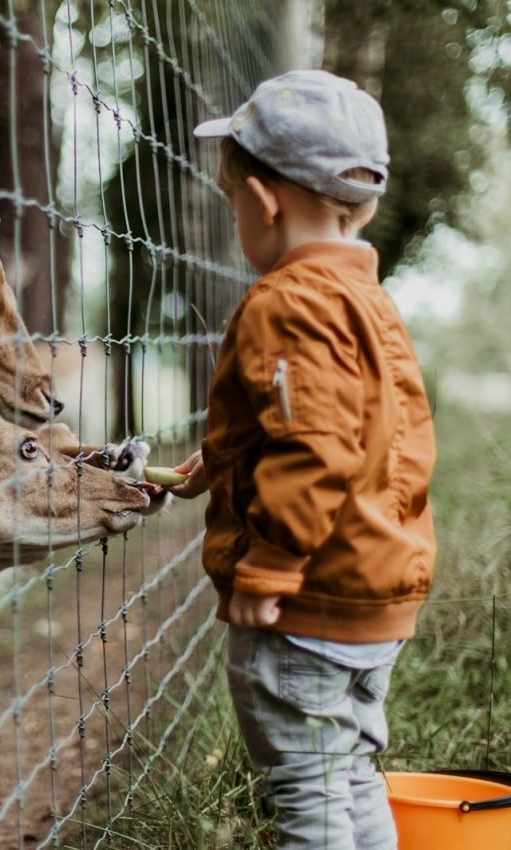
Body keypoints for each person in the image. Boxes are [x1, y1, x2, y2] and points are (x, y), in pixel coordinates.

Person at [167, 70, 437, 850]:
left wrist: (271, 564)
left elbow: (316, 446)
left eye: (231, 202)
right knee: (350, 778)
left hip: (305, 606)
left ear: (265, 203)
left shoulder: (285, 303)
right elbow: (364, 435)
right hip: (371, 598)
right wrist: (223, 463)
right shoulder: (367, 301)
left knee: (308, 799)